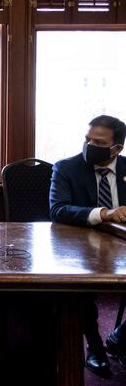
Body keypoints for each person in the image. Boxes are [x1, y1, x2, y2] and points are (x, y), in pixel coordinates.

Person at [49, 115, 126, 376]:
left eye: (98, 141)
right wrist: (103, 213)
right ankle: (95, 348)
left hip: (123, 245)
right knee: (79, 288)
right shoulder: (66, 168)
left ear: (116, 148)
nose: (89, 145)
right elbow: (58, 209)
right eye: (87, 139)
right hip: (81, 247)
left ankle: (120, 338)